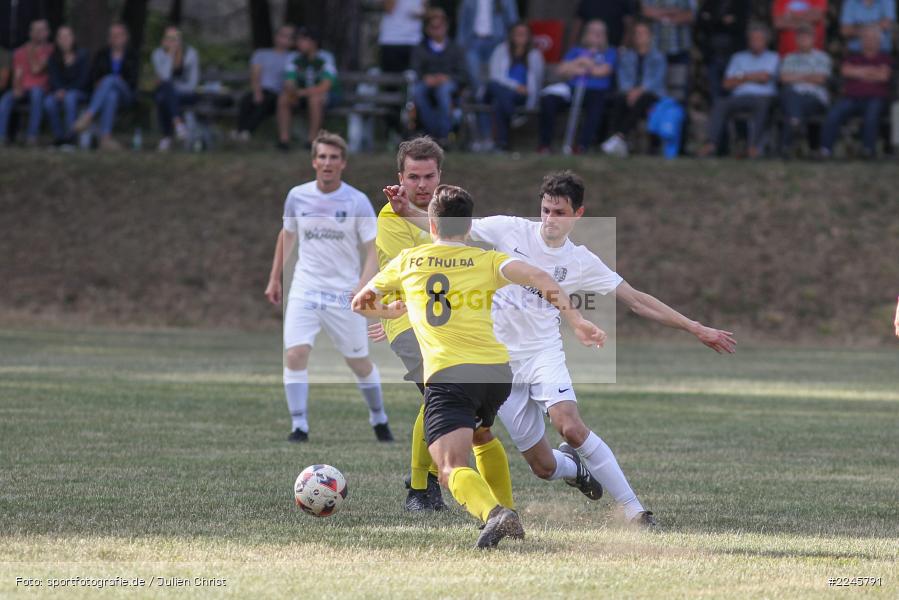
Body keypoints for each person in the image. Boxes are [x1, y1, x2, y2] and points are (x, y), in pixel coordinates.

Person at [386, 171, 737, 529]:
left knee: (569, 426)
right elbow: (449, 229)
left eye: (559, 212)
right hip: (498, 362)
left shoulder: (582, 260)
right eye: (545, 210)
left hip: (542, 354)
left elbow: (636, 300)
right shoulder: (510, 229)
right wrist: (405, 212)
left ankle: (636, 512)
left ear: (578, 214)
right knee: (543, 467)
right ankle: (574, 469)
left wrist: (696, 327)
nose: (550, 219)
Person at [353, 184, 607, 548]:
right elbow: (540, 277)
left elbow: (360, 303)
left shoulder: (410, 261)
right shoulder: (486, 260)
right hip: (495, 373)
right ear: (469, 228)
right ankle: (507, 510)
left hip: (449, 374)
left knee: (450, 467)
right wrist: (577, 320)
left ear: (433, 226)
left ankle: (495, 514)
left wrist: (388, 311)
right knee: (481, 434)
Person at [375, 137, 516, 514]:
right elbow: (414, 263)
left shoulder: (450, 215)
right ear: (400, 178)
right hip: (409, 320)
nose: (421, 185)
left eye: (429, 176)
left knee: (478, 426)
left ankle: (500, 507)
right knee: (437, 391)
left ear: (440, 176)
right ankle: (420, 489)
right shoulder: (391, 218)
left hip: (455, 323)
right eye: (413, 177)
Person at [264, 131, 393, 444]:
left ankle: (379, 418)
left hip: (344, 293)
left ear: (343, 163)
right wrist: (275, 277)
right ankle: (299, 426)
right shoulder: (297, 196)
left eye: (334, 157)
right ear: (313, 161)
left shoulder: (356, 200)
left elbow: (373, 247)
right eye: (322, 157)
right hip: (305, 287)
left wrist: (364, 286)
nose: (327, 163)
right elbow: (288, 234)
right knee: (294, 354)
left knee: (358, 361)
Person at [699, 23, 779, 158]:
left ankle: (753, 147)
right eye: (752, 39)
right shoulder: (738, 57)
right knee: (720, 104)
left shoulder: (773, 57)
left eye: (758, 39)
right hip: (739, 97)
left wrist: (741, 77)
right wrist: (754, 76)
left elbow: (765, 77)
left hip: (763, 97)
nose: (754, 42)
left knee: (763, 106)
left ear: (766, 41)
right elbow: (726, 83)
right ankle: (711, 144)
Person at [538, 19, 616, 154]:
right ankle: (545, 145)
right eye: (593, 31)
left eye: (600, 32)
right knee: (549, 100)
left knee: (597, 106)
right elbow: (561, 70)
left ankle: (582, 146)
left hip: (596, 91)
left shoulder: (610, 52)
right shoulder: (575, 50)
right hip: (571, 89)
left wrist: (583, 65)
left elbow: (603, 71)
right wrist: (580, 61)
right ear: (586, 34)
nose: (596, 35)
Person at [820, 25, 893, 159]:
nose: (868, 41)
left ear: (879, 41)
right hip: (851, 98)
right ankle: (825, 150)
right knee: (834, 113)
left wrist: (858, 72)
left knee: (871, 115)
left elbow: (884, 76)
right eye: (865, 38)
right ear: (860, 41)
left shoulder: (885, 58)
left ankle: (868, 150)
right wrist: (872, 72)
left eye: (872, 38)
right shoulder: (852, 57)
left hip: (876, 98)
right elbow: (845, 71)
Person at [601, 20, 667, 157]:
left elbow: (656, 80)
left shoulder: (658, 57)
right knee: (619, 100)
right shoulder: (627, 56)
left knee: (642, 100)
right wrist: (630, 91)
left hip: (651, 93)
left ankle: (619, 138)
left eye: (643, 33)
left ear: (650, 36)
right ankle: (617, 139)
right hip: (629, 93)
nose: (640, 36)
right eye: (637, 33)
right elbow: (623, 77)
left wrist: (638, 91)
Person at [476, 21, 544, 152]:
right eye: (517, 33)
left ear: (529, 36)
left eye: (523, 34)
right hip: (496, 90)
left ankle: (502, 145)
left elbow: (537, 80)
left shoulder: (535, 55)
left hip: (519, 96)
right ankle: (511, 115)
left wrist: (526, 92)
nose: (520, 36)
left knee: (500, 102)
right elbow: (494, 76)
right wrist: (515, 86)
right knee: (496, 88)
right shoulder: (500, 50)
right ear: (511, 35)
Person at [73, 23, 139, 151]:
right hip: (104, 93)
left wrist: (117, 80)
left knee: (111, 79)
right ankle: (105, 139)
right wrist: (99, 82)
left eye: (118, 35)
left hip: (125, 94)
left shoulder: (132, 55)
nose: (115, 38)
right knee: (111, 95)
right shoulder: (101, 54)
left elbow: (133, 81)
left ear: (125, 37)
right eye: (113, 35)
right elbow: (94, 76)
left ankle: (88, 116)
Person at [276, 27, 339, 152]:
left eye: (302, 40)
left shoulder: (326, 57)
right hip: (301, 95)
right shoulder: (294, 57)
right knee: (283, 98)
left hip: (326, 96)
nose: (298, 44)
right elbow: (289, 80)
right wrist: (291, 90)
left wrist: (302, 92)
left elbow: (326, 85)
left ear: (313, 42)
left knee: (314, 99)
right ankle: (284, 141)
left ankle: (312, 141)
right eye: (298, 40)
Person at [411, 9, 468, 143]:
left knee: (443, 91)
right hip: (427, 82)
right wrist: (425, 77)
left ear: (446, 27)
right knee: (417, 92)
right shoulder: (420, 48)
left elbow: (463, 74)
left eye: (440, 26)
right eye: (433, 27)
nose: (437, 30)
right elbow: (415, 70)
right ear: (427, 29)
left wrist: (447, 78)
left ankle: (443, 134)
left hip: (449, 83)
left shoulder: (456, 48)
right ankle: (432, 132)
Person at [233, 24, 295, 141]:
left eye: (289, 36)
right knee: (246, 100)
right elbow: (255, 75)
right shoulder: (261, 54)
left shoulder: (293, 57)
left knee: (265, 102)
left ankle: (246, 132)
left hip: (278, 93)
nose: (284, 39)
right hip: (261, 89)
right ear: (276, 36)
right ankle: (240, 131)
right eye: (282, 35)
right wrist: (257, 92)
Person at [778, 24, 830, 153]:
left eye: (806, 37)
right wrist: (809, 76)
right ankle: (796, 123)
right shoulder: (789, 58)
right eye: (800, 38)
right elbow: (784, 78)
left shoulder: (822, 57)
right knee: (789, 94)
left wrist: (796, 76)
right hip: (793, 96)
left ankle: (788, 141)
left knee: (792, 99)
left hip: (815, 98)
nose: (803, 41)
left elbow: (821, 79)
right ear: (796, 40)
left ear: (813, 39)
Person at [0, 19, 52, 146]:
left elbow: (36, 68)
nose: (38, 33)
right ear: (30, 32)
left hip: (42, 90)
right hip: (23, 89)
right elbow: (18, 73)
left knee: (36, 93)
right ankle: (1, 137)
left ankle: (31, 136)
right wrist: (17, 88)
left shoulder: (51, 50)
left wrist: (30, 51)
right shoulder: (19, 52)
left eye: (42, 30)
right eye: (35, 30)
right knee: (7, 99)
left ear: (47, 32)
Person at [456, 0, 519, 98]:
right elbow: (463, 21)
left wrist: (511, 43)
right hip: (473, 41)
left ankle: (486, 104)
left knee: (494, 77)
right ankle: (480, 99)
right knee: (474, 74)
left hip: (496, 42)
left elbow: (512, 21)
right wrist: (460, 45)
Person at [151, 26, 200, 152]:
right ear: (163, 40)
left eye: (175, 38)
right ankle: (178, 125)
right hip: (168, 94)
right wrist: (170, 55)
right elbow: (164, 76)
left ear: (180, 40)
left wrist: (174, 90)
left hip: (187, 94)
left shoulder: (191, 54)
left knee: (164, 95)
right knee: (164, 94)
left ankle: (167, 137)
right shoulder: (158, 54)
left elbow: (192, 84)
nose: (172, 42)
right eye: (169, 38)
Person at [640, 0, 696, 102]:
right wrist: (673, 12)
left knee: (679, 89)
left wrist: (660, 13)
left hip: (680, 48)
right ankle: (658, 115)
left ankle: (677, 114)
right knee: (655, 87)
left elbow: (692, 15)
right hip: (656, 49)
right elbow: (646, 10)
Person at [696, 0, 749, 101]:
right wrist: (721, 20)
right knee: (714, 86)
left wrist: (712, 19)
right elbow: (700, 21)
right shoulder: (711, 2)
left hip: (733, 54)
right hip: (712, 53)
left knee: (733, 85)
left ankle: (731, 111)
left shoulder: (742, 3)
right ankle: (717, 110)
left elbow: (740, 24)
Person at [379, 0, 426, 73]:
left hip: (415, 40)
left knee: (415, 78)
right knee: (392, 80)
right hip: (392, 40)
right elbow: (389, 8)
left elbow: (424, 10)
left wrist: (422, 12)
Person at [569, 0, 637, 49]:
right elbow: (577, 26)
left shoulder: (624, 2)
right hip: (587, 48)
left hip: (614, 49)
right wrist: (571, 47)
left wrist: (623, 47)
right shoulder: (586, 2)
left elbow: (629, 27)